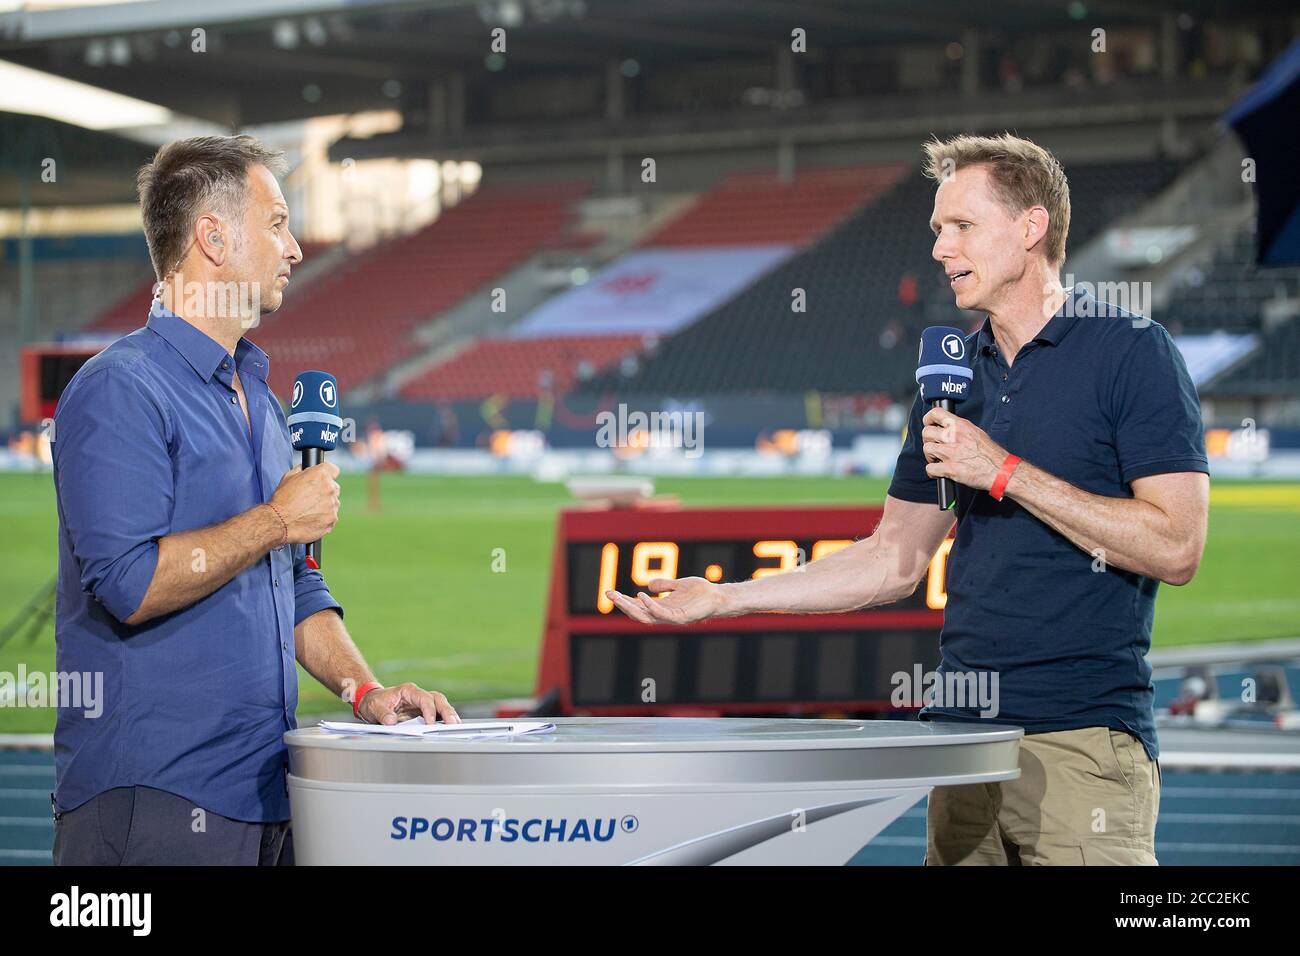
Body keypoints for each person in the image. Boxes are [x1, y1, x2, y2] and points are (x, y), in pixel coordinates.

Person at [607, 132, 1209, 865]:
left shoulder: (1131, 350)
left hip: (1080, 742)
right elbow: (893, 560)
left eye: (961, 226)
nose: (939, 247)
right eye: (935, 230)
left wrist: (1004, 470)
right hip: (959, 743)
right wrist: (727, 597)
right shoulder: (951, 376)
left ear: (1031, 228)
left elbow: (1176, 547)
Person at [50, 135, 459, 865]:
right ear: (212, 236)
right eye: (276, 223)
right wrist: (277, 519)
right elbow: (130, 584)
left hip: (269, 792)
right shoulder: (122, 389)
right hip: (156, 799)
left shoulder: (264, 403)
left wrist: (363, 691)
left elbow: (295, 584)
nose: (296, 248)